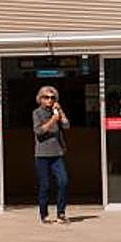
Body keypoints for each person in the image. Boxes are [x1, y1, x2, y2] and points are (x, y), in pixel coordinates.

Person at [33, 85, 71, 224]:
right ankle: (44, 214)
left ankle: (61, 212)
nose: (49, 100)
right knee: (45, 185)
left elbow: (66, 125)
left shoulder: (56, 112)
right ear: (40, 99)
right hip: (42, 154)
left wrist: (61, 112)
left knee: (63, 181)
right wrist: (53, 121)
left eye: (52, 97)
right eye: (46, 97)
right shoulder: (37, 113)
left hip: (57, 153)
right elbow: (39, 131)